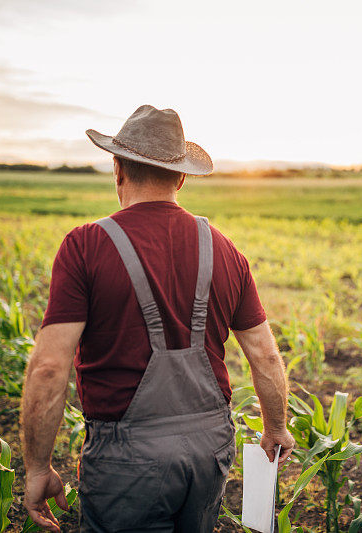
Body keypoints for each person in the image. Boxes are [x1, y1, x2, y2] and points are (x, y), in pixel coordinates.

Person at [21, 105, 295, 532]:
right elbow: (263, 352)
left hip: (126, 461)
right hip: (209, 449)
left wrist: (38, 467)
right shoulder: (225, 249)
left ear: (118, 169)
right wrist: (275, 426)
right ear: (181, 177)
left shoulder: (86, 246)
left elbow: (49, 367)